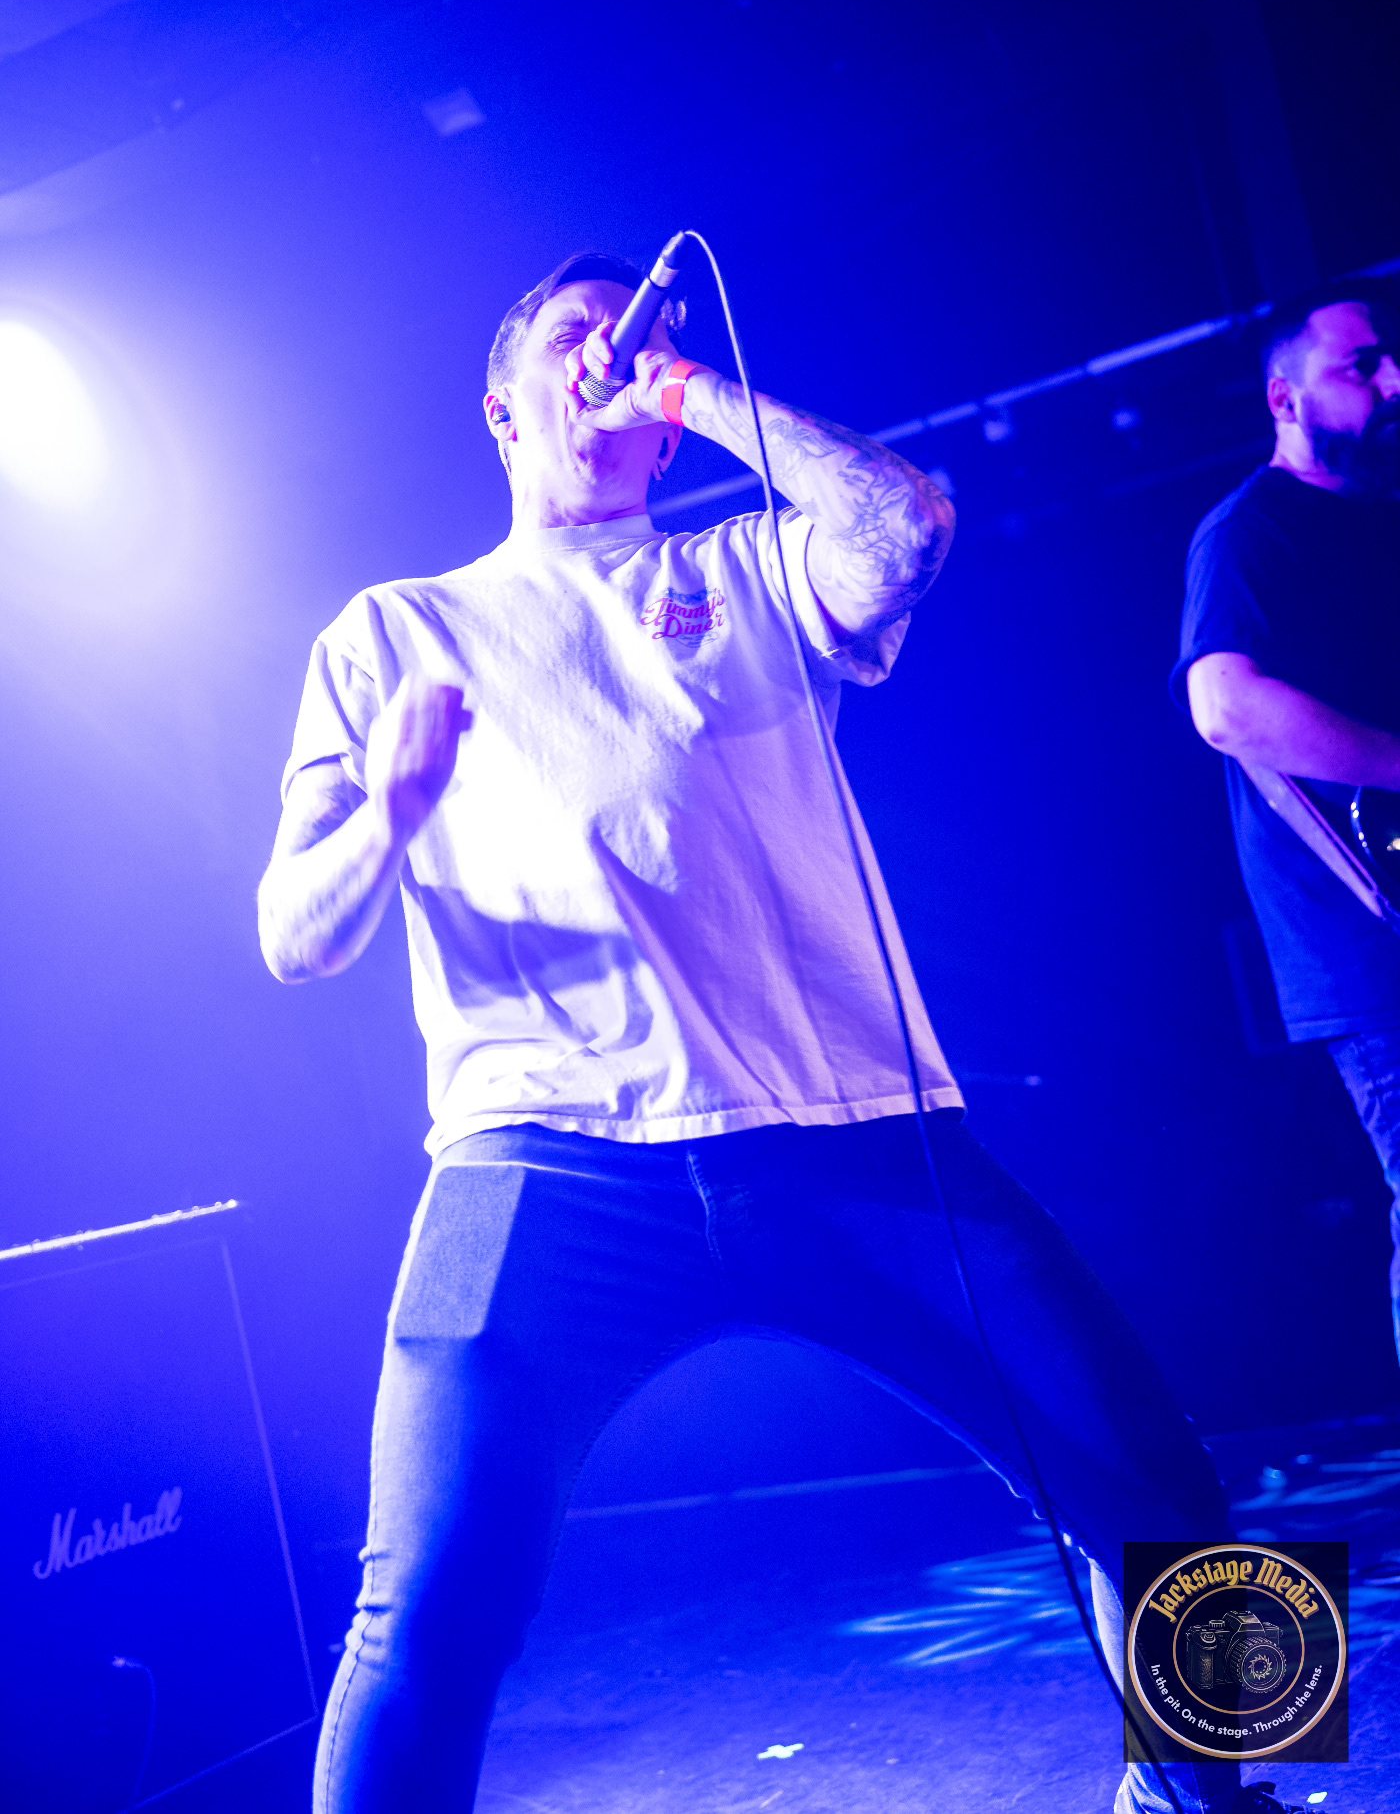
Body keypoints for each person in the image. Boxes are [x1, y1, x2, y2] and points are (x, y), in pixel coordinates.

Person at [260, 252, 1234, 1814]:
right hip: (540, 1163)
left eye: (633, 336)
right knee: (425, 1605)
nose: (609, 350)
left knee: (1161, 1486)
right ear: (499, 407)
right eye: (572, 337)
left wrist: (689, 387)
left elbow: (908, 525)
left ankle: (1219, 1800)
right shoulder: (390, 632)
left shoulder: (751, 567)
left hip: (852, 1136)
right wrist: (387, 810)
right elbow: (294, 936)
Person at [1176, 287, 1400, 1363]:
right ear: (1284, 398)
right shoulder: (1248, 533)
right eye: (1362, 366)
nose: (1393, 382)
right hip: (1366, 938)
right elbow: (1224, 708)